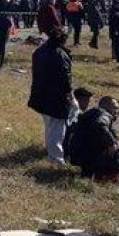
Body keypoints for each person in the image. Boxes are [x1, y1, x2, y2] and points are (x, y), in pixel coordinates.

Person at [27, 28, 74, 164]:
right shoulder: (60, 55)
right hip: (56, 96)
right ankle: (56, 158)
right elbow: (66, 77)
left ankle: (49, 150)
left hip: (40, 93)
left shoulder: (39, 51)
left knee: (49, 124)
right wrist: (69, 94)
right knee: (58, 127)